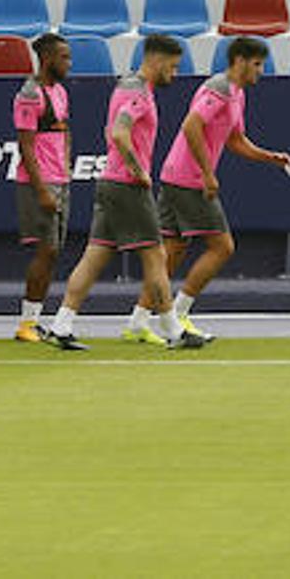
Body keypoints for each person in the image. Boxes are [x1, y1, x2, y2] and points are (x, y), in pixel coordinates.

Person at [42, 35, 207, 351]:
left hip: (109, 183)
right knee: (156, 255)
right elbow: (119, 132)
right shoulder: (139, 94)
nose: (173, 74)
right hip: (127, 186)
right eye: (172, 67)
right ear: (156, 61)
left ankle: (61, 325)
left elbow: (113, 131)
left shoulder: (125, 86)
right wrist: (137, 170)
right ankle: (173, 330)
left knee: (94, 256)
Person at [159, 36, 290, 339]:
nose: (261, 71)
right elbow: (191, 126)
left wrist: (269, 157)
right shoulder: (218, 88)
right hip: (187, 178)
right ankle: (178, 315)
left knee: (173, 249)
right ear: (240, 61)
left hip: (177, 175)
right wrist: (207, 174)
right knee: (222, 247)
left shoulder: (237, 93)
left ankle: (141, 320)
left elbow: (235, 140)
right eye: (257, 65)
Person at [12, 34, 72, 343]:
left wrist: (66, 168)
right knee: (45, 249)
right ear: (47, 59)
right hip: (41, 184)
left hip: (60, 179)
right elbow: (25, 146)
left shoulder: (59, 91)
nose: (69, 63)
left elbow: (65, 132)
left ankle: (34, 321)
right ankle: (26, 324)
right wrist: (42, 190)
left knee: (53, 252)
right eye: (64, 58)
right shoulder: (29, 94)